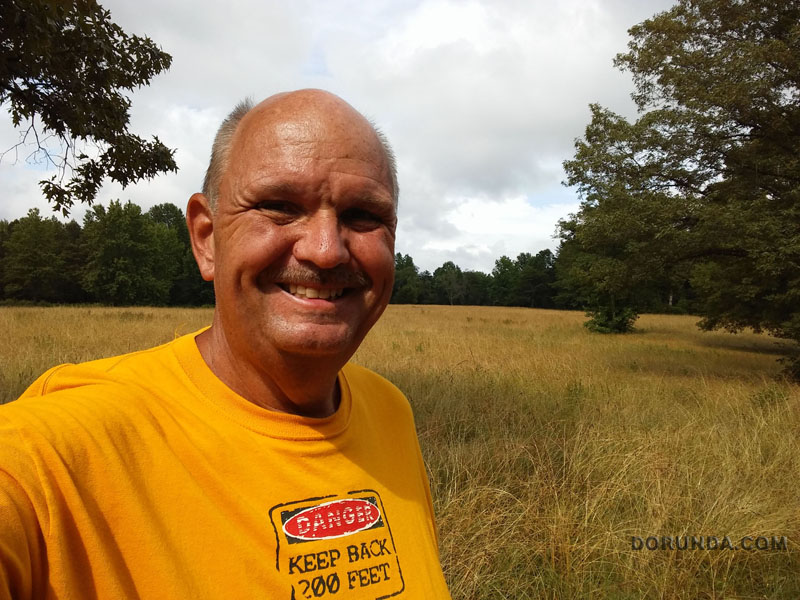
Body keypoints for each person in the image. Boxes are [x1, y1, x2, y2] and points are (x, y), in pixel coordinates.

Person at [0, 89, 451, 599]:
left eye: (363, 215)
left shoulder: (389, 411)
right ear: (206, 237)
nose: (326, 251)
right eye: (279, 207)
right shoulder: (54, 456)